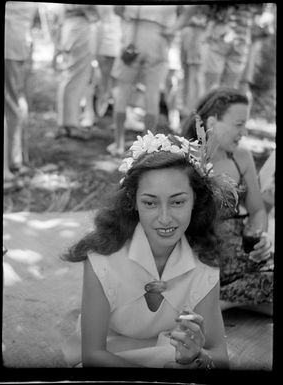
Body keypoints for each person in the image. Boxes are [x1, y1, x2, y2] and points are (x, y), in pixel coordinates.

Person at [61, 130, 236, 368]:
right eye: (150, 203)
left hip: (169, 359)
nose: (165, 218)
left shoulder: (204, 262)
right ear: (133, 201)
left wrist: (197, 357)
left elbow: (219, 356)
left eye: (177, 201)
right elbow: (92, 355)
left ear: (196, 200)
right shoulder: (102, 260)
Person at [182, 87, 273, 315]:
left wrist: (259, 236)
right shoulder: (185, 159)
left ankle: (220, 302)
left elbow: (258, 211)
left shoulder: (241, 157)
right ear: (212, 122)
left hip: (241, 253)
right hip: (199, 254)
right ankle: (228, 297)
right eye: (238, 124)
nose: (243, 132)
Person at [107, 4, 199, 156]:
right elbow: (189, 10)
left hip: (133, 35)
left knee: (123, 91)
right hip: (158, 37)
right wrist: (173, 28)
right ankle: (146, 148)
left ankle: (118, 144)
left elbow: (117, 9)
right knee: (152, 93)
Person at [4, 1, 37, 188]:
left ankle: (14, 160)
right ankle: (17, 158)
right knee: (16, 101)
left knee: (12, 103)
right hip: (19, 42)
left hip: (13, 44)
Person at [56, 4, 99, 139]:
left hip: (72, 28)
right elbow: (92, 11)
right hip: (78, 29)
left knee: (70, 78)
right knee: (75, 79)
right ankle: (70, 125)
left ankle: (66, 123)